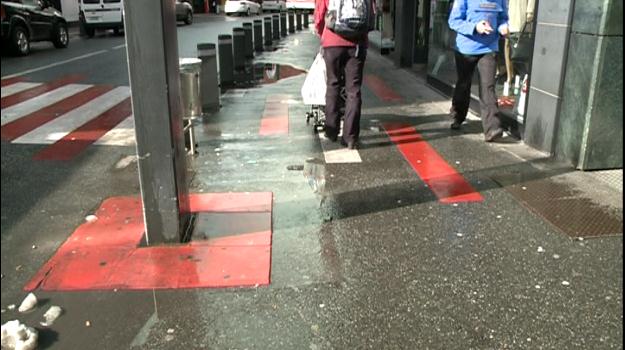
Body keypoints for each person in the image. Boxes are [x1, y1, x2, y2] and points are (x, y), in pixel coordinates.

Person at [448, 0, 509, 142]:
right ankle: (458, 115)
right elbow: (453, 21)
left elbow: (503, 18)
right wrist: (475, 27)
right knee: (464, 84)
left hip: (489, 48)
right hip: (466, 49)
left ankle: (492, 129)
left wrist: (503, 27)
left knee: (488, 87)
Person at [314, 0, 372, 149]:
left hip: (332, 42)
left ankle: (331, 130)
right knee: (354, 90)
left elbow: (320, 15)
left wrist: (322, 34)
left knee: (332, 84)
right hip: (357, 44)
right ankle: (350, 138)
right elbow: (371, 15)